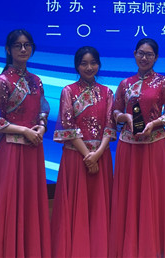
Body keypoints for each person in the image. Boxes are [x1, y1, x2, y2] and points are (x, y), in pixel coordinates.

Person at [0, 29, 51, 257]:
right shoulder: (2, 81)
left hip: (33, 150)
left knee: (30, 202)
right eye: (18, 45)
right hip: (11, 151)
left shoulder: (36, 81)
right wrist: (23, 130)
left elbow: (42, 110)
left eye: (27, 45)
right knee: (10, 202)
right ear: (8, 50)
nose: (23, 49)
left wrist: (41, 127)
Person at [110, 38, 165, 258]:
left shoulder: (164, 82)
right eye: (141, 53)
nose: (144, 58)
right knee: (130, 196)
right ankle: (130, 245)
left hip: (155, 146)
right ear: (134, 54)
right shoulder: (125, 83)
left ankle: (154, 244)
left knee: (155, 197)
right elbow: (114, 113)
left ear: (156, 57)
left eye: (149, 54)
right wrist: (125, 117)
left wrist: (153, 124)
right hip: (128, 146)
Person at [51, 46, 116, 257]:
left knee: (99, 204)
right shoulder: (68, 91)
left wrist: (97, 154)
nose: (89, 67)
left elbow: (110, 127)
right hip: (75, 156)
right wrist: (88, 156)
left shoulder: (107, 92)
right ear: (77, 66)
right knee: (75, 205)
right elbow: (68, 126)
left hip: (101, 156)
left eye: (93, 63)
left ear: (99, 64)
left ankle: (100, 249)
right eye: (84, 63)